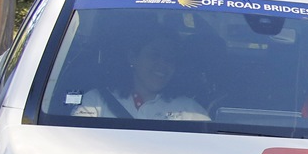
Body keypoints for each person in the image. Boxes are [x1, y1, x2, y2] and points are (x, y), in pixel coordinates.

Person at [74, 33, 208, 121]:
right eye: (154, 56)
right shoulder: (95, 101)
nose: (162, 64)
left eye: (170, 59)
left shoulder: (191, 111)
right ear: (133, 57)